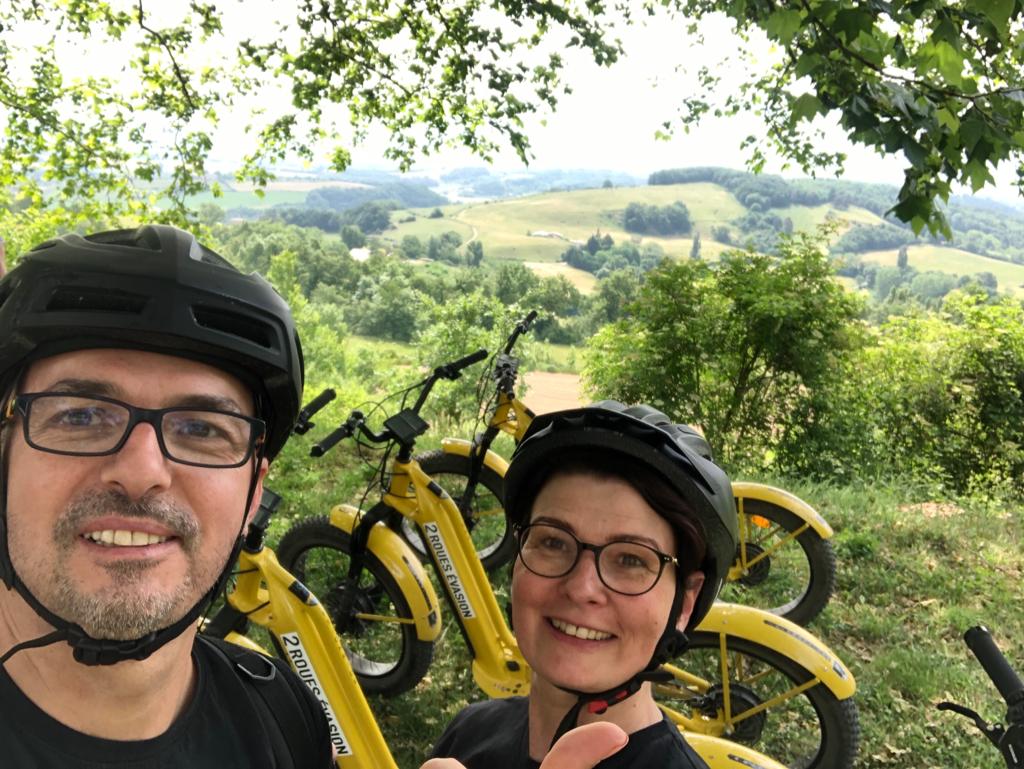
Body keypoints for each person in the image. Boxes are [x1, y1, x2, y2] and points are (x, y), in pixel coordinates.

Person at [0, 225, 334, 767]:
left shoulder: (285, 722)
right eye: (80, 415)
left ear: (253, 495)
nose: (140, 472)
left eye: (202, 430)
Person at [429, 402, 740, 769]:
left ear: (685, 603)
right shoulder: (470, 732)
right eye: (553, 542)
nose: (581, 588)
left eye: (630, 560)